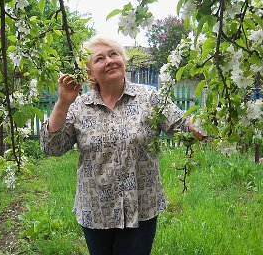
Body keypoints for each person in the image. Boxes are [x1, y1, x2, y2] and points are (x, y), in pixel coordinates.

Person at [40, 36, 202, 255]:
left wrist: (202, 124)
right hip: (95, 210)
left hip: (141, 207)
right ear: (89, 73)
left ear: (123, 60)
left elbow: (181, 124)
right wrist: (62, 103)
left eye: (114, 54)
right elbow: (52, 148)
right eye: (99, 58)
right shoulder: (79, 106)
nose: (109, 61)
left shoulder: (149, 97)